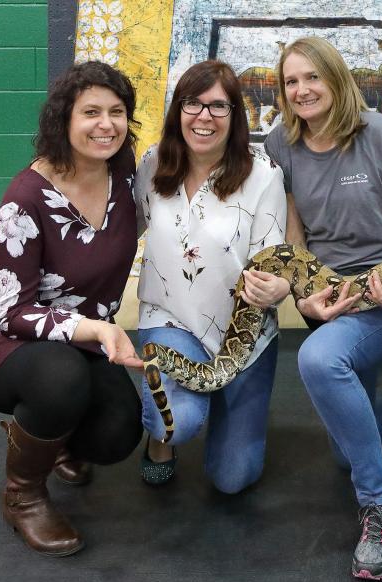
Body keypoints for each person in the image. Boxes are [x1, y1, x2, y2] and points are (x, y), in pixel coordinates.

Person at [264, 37, 382, 581]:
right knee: (347, 450)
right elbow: (295, 244)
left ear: (337, 79)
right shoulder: (282, 144)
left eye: (311, 78)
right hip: (332, 298)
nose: (301, 90)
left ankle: (380, 505)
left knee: (319, 361)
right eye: (291, 82)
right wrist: (303, 298)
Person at [0, 62, 144, 556]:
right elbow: (11, 311)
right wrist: (94, 329)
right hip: (2, 335)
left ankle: (53, 437)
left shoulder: (123, 174)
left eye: (117, 112)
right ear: (64, 120)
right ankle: (23, 496)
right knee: (60, 379)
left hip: (79, 337)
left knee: (119, 434)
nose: (107, 124)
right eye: (92, 113)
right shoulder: (27, 196)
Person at [135, 60, 287, 492]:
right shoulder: (152, 164)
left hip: (242, 334)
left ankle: (219, 397)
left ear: (235, 115)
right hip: (171, 319)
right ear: (178, 110)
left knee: (233, 478)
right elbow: (122, 230)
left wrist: (278, 288)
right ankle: (161, 440)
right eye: (193, 104)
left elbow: (273, 264)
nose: (204, 117)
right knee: (177, 423)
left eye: (218, 106)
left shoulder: (264, 176)